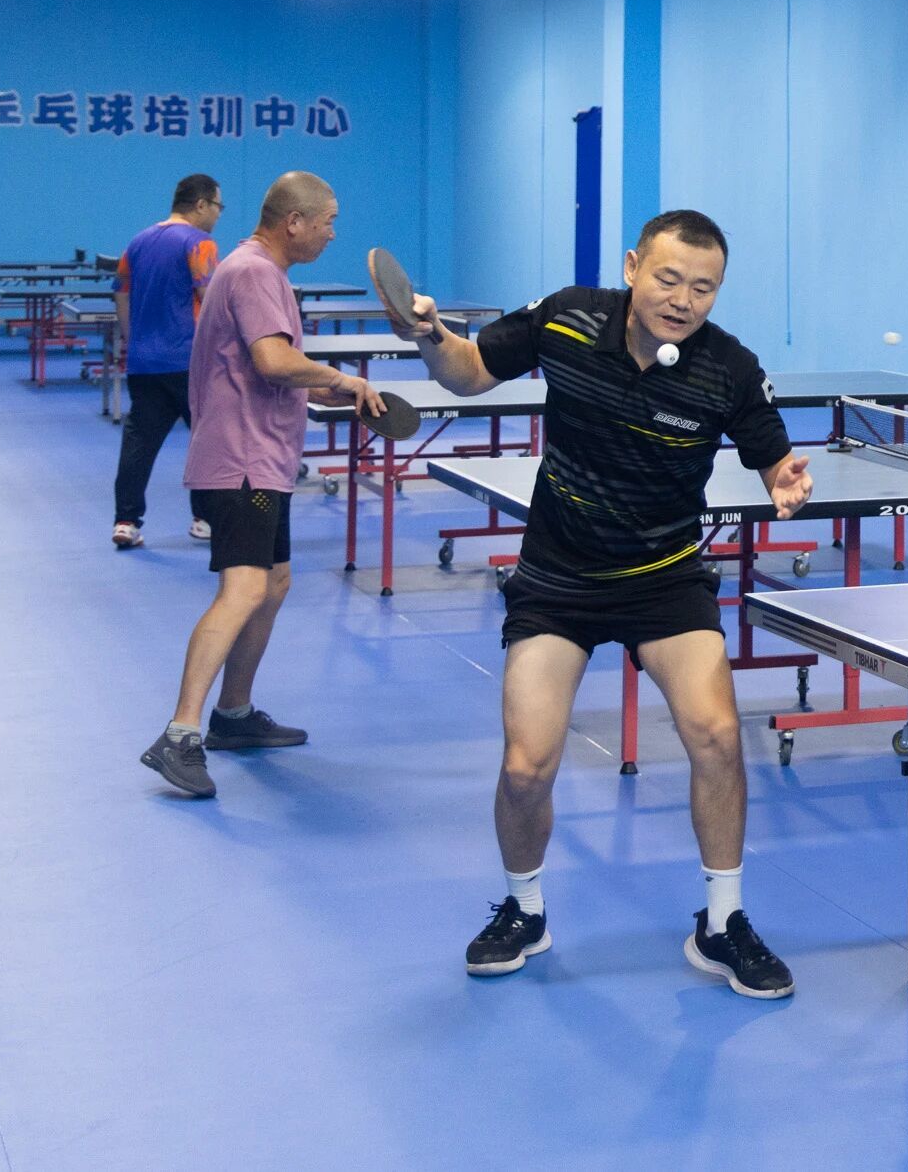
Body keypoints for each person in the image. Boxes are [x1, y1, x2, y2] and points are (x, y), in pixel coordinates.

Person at [394, 210, 812, 993]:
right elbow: (467, 371)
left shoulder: (728, 367)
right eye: (668, 278)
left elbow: (773, 455)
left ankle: (723, 921)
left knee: (719, 735)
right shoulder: (566, 320)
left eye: (703, 287)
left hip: (665, 576)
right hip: (560, 575)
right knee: (526, 765)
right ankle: (524, 908)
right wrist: (430, 335)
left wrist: (785, 479)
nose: (682, 299)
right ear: (631, 267)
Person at [138, 172, 381, 800]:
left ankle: (234, 714)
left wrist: (322, 388)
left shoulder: (260, 270)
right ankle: (179, 734)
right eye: (327, 221)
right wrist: (343, 378)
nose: (332, 233)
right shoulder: (253, 272)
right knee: (245, 588)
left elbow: (263, 367)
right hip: (242, 459)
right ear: (294, 222)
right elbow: (273, 360)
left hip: (261, 457)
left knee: (272, 584)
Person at [112, 173, 224, 549]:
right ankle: (205, 519)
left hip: (143, 362)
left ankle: (126, 522)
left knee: (139, 443)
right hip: (190, 362)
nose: (218, 214)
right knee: (209, 440)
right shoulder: (201, 243)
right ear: (201, 204)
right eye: (218, 206)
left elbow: (121, 294)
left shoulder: (137, 241)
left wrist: (132, 340)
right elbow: (210, 299)